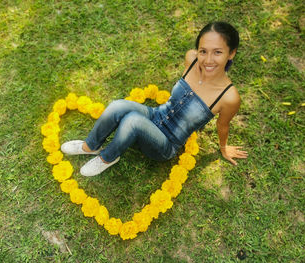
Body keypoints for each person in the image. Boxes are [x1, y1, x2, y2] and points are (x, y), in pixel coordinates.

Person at [61, 21, 248, 176]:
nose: (208, 60)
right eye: (203, 51)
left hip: (167, 143)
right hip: (155, 114)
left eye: (217, 52)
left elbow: (222, 125)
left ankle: (107, 157)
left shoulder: (229, 97)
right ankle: (90, 146)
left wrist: (224, 148)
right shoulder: (191, 60)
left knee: (132, 121)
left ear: (231, 53)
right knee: (117, 106)